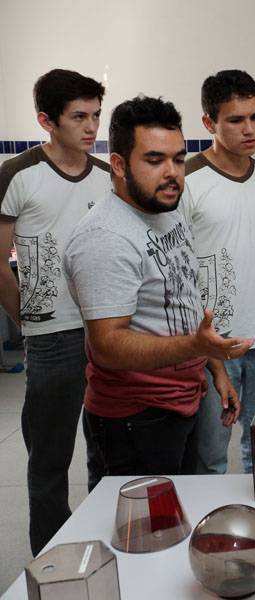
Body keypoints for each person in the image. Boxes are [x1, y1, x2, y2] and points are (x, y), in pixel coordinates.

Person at [63, 95, 253, 478]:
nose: (173, 173)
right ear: (119, 165)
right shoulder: (105, 237)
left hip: (180, 403)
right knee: (143, 517)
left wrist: (215, 370)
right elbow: (109, 346)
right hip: (134, 420)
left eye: (178, 159)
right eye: (154, 160)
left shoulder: (166, 210)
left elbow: (185, 301)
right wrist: (197, 348)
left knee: (178, 509)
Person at [0, 69, 109, 555]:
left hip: (108, 331)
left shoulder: (108, 176)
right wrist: (29, 325)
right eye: (79, 117)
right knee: (48, 464)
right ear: (47, 120)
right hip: (51, 339)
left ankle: (110, 551)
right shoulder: (17, 174)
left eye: (96, 115)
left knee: (109, 453)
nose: (91, 127)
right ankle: (54, 563)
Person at [179, 70, 255, 475]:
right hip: (213, 340)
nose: (250, 129)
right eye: (236, 120)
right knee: (210, 453)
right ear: (208, 123)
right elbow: (177, 271)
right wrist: (195, 341)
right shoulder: (186, 181)